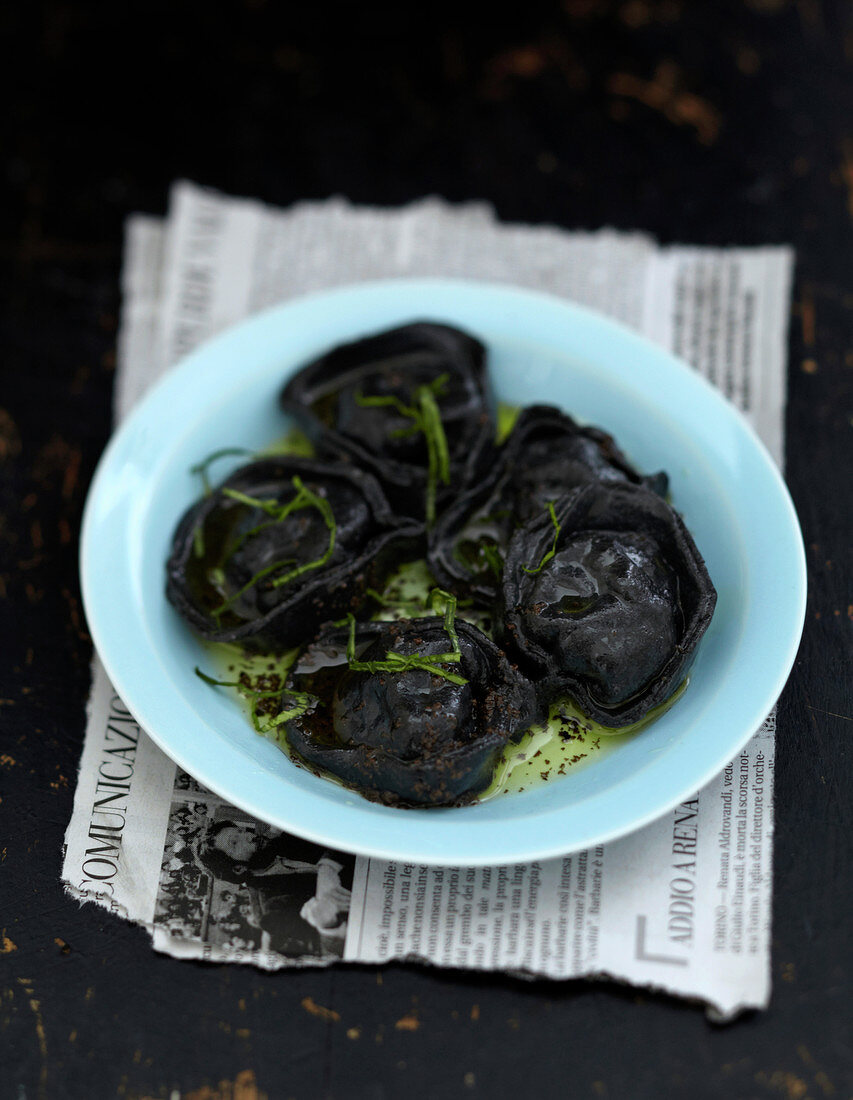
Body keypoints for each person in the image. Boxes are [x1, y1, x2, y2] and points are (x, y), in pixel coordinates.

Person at [194, 821, 352, 954]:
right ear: (238, 869)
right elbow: (327, 948)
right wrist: (327, 925)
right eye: (235, 842)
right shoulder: (270, 910)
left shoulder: (284, 837)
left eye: (241, 831)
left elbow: (343, 829)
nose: (249, 836)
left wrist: (328, 868)